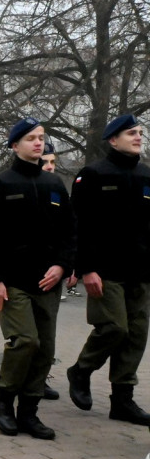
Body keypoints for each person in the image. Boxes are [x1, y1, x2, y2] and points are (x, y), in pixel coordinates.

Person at [0, 117, 76, 440]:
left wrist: (62, 265)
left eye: (41, 137)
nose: (38, 143)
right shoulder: (0, 184)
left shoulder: (55, 185)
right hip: (11, 280)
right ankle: (4, 399)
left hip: (47, 281)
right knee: (25, 341)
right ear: (14, 145)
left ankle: (29, 413)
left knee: (44, 349)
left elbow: (68, 233)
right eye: (31, 138)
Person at [67, 114, 150, 427]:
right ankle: (82, 370)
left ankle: (122, 401)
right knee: (115, 327)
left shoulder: (146, 176)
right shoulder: (93, 174)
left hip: (140, 270)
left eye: (140, 132)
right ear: (113, 139)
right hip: (105, 269)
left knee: (136, 336)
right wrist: (85, 268)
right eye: (131, 133)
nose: (138, 137)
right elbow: (80, 225)